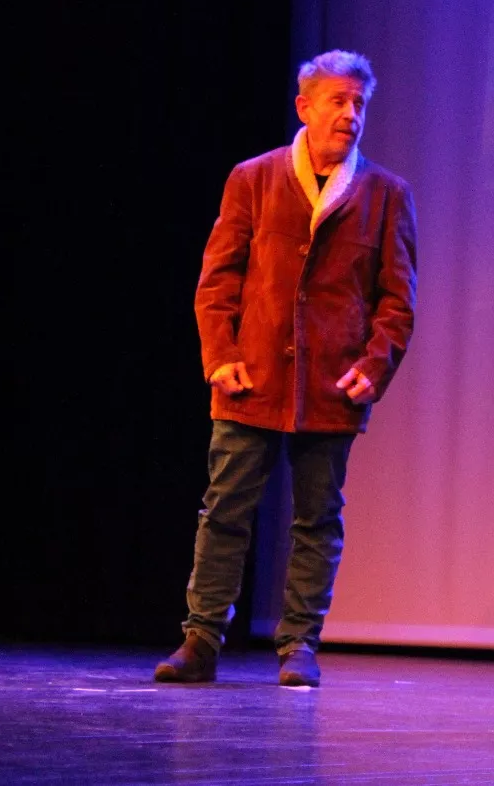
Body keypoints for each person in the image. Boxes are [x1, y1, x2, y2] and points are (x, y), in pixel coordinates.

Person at [154, 50, 417, 687]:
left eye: (360, 104)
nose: (351, 115)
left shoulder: (385, 195)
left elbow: (397, 301)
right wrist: (221, 358)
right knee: (224, 511)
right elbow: (217, 281)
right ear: (304, 106)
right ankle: (201, 639)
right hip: (251, 378)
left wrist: (372, 369)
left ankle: (299, 645)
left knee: (317, 520)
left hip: (331, 387)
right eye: (339, 101)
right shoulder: (254, 178)